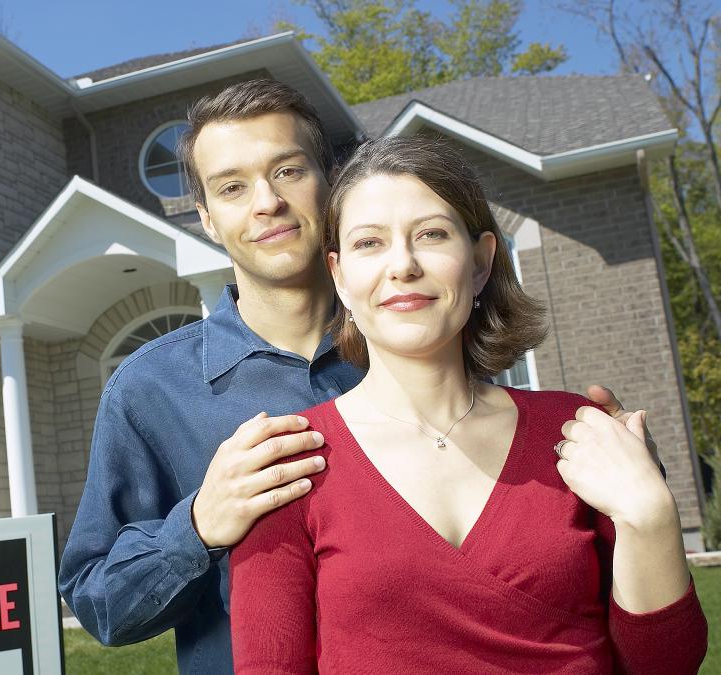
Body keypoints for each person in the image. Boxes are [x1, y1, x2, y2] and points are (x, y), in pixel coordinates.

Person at [58, 79, 649, 674]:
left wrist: (618, 469)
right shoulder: (148, 390)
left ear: (330, 181)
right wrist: (198, 526)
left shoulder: (421, 324)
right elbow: (96, 602)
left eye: (287, 171)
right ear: (208, 219)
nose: (266, 202)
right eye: (232, 188)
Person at [228, 135, 707, 674]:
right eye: (369, 244)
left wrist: (650, 515)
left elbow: (666, 663)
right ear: (339, 276)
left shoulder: (578, 435)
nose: (403, 265)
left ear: (480, 263)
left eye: (431, 234)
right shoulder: (287, 462)